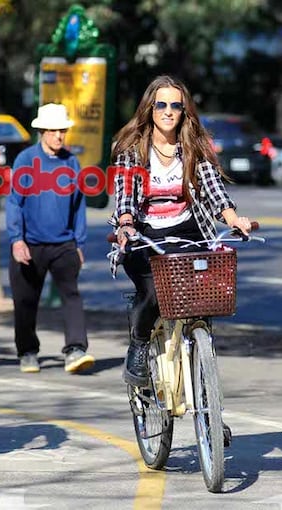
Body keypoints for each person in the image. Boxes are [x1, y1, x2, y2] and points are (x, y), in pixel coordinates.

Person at [109, 75, 252, 388]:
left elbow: (214, 190)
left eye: (176, 105)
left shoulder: (192, 148)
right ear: (150, 108)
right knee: (154, 293)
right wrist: (126, 224)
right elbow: (125, 197)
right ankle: (140, 342)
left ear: (184, 111)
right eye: (161, 104)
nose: (169, 111)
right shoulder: (131, 151)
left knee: (202, 298)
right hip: (145, 237)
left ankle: (207, 400)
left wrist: (233, 218)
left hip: (187, 232)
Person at [5, 103, 95, 374]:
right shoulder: (25, 160)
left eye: (63, 131)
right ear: (42, 131)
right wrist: (16, 239)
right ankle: (28, 351)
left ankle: (76, 349)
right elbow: (14, 202)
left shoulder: (72, 161)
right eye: (54, 131)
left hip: (64, 244)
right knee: (25, 299)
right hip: (30, 243)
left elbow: (79, 205)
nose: (59, 136)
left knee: (72, 295)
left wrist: (79, 243)